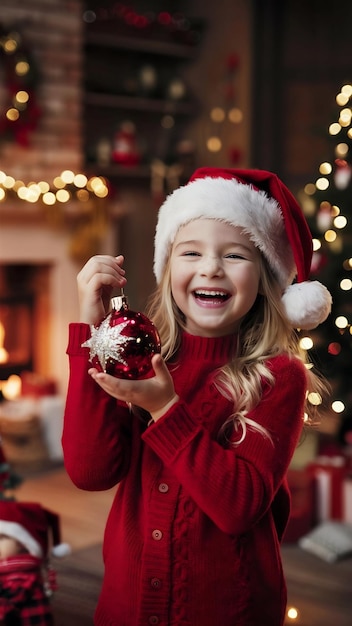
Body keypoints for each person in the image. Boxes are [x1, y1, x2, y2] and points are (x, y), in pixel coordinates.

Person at [62, 168, 332, 626]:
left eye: (234, 255)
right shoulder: (144, 355)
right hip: (126, 603)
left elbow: (238, 507)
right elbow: (90, 471)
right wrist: (93, 336)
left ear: (265, 279)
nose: (210, 267)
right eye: (191, 252)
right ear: (168, 271)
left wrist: (165, 410)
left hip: (229, 610)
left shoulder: (279, 377)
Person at [0, 500, 70, 625]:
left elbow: (7, 606)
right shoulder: (8, 569)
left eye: (2, 538)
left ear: (21, 543)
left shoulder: (21, 574)